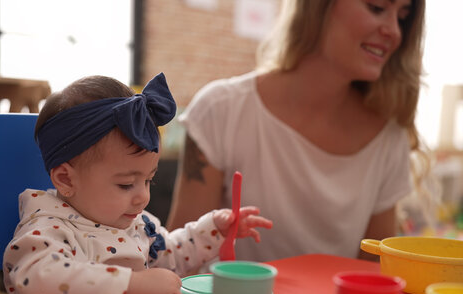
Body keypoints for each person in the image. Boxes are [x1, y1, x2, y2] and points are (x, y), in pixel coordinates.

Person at [167, 0, 427, 262]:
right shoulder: (220, 110)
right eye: (377, 7)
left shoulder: (389, 138)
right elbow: (177, 262)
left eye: (403, 17)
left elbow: (373, 279)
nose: (394, 31)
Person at [2, 73, 273, 294]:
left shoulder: (136, 224)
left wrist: (214, 230)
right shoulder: (47, 229)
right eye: (125, 184)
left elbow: (172, 252)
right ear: (65, 179)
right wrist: (133, 286)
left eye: (149, 181)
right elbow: (38, 280)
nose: (143, 197)